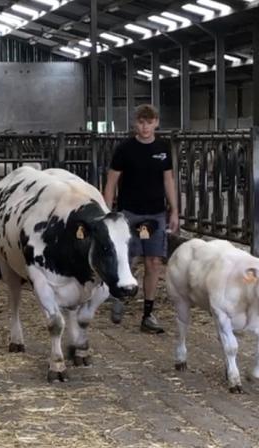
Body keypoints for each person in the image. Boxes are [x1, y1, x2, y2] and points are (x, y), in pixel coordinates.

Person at [102, 104, 179, 334]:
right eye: (141, 122)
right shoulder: (125, 149)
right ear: (135, 124)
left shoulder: (162, 149)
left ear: (156, 123)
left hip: (156, 213)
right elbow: (111, 182)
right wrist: (107, 213)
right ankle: (119, 296)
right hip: (130, 214)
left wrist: (174, 210)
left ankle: (148, 314)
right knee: (129, 258)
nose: (145, 127)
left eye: (149, 122)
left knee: (154, 262)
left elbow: (168, 180)